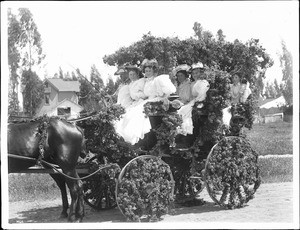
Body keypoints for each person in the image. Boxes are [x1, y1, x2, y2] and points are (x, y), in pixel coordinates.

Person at [115, 58, 176, 145]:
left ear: (154, 71)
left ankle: (140, 138)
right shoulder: (145, 81)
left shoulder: (158, 80)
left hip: (156, 99)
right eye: (146, 71)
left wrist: (163, 99)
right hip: (148, 100)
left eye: (149, 71)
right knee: (130, 112)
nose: (147, 73)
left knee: (139, 113)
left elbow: (166, 93)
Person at [177, 62, 210, 135]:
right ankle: (184, 133)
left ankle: (190, 132)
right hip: (193, 101)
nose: (195, 75)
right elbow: (191, 96)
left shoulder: (203, 82)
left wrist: (195, 102)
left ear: (201, 73)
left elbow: (202, 95)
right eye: (193, 73)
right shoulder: (192, 83)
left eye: (197, 73)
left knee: (186, 110)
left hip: (201, 101)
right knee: (182, 110)